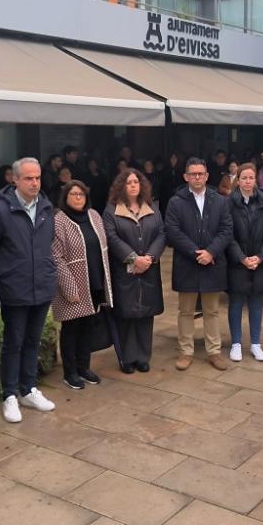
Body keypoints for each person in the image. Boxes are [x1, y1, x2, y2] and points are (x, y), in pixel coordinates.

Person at [0, 158, 58, 423]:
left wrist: (49, 271)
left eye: (37, 177)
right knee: (14, 342)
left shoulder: (47, 207)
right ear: (14, 179)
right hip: (14, 288)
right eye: (28, 178)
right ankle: (10, 394)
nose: (35, 182)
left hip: (42, 286)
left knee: (32, 342)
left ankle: (29, 388)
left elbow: (48, 245)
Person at [164, 157, 233, 371]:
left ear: (207, 176)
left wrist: (211, 251)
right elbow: (173, 231)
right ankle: (186, 351)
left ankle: (214, 351)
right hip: (188, 263)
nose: (197, 177)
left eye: (200, 173)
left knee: (211, 310)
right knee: (185, 311)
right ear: (185, 177)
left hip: (212, 263)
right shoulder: (176, 202)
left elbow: (227, 230)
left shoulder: (219, 200)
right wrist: (196, 253)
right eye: (192, 173)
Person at [51, 180, 113, 389]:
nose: (78, 198)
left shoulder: (94, 215)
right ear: (65, 198)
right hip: (73, 285)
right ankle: (70, 372)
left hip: (94, 280)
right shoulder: (59, 220)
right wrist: (69, 287)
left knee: (88, 326)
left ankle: (84, 367)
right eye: (73, 194)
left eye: (81, 194)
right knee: (71, 329)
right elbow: (56, 257)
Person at [104, 169, 166, 373]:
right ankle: (127, 358)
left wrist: (150, 257)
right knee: (127, 314)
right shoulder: (112, 210)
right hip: (125, 270)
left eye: (136, 182)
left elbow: (161, 233)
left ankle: (143, 357)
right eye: (128, 182)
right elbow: (111, 238)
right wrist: (133, 258)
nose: (133, 185)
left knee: (146, 314)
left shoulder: (152, 208)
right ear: (121, 186)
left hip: (148, 267)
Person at [226, 163, 263, 362]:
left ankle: (256, 343)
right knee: (236, 303)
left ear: (255, 179)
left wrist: (261, 256)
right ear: (237, 180)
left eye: (251, 178)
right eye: (243, 178)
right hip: (238, 262)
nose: (247, 181)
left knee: (256, 303)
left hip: (259, 261)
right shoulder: (229, 203)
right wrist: (241, 258)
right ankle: (236, 343)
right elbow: (227, 234)